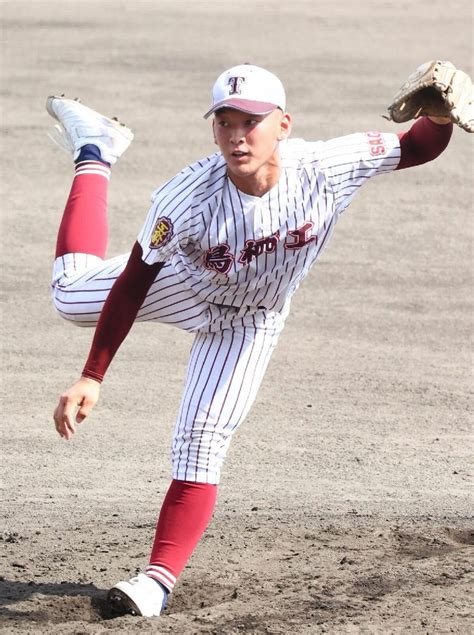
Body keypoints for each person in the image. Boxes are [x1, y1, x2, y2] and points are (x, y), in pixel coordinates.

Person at [49, 63, 455, 617]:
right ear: (213, 128)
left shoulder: (327, 166)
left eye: (252, 122)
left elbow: (419, 146)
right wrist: (92, 376)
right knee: (69, 297)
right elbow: (136, 279)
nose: (238, 136)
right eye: (225, 122)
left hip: (250, 320)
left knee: (202, 438)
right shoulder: (187, 196)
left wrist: (439, 114)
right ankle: (96, 150)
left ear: (283, 125)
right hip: (183, 285)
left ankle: (156, 582)